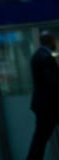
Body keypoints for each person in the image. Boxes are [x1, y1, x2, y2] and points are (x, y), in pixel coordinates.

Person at [27, 31, 59, 160]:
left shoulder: (39, 55)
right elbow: (51, 81)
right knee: (41, 136)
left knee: (41, 136)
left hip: (45, 104)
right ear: (50, 41)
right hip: (49, 105)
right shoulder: (45, 57)